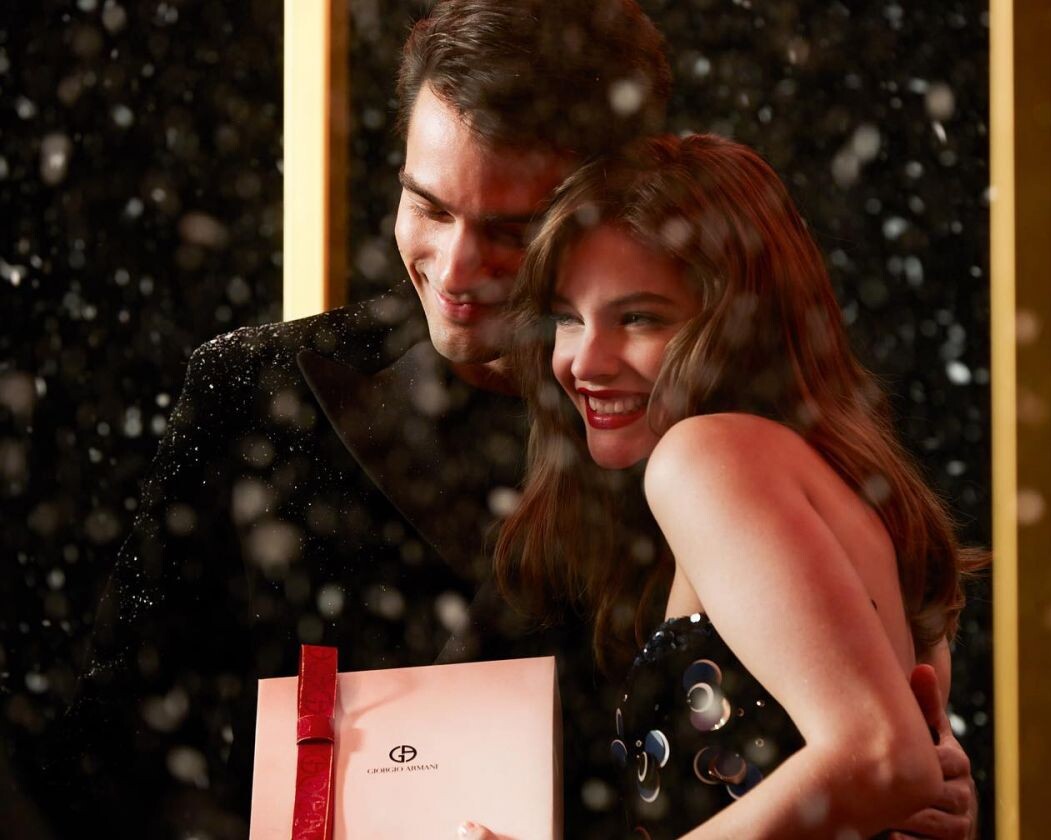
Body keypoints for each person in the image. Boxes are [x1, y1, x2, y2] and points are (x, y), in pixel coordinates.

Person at [36, 2, 670, 836]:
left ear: (617, 209)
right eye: (430, 207)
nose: (456, 269)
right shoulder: (251, 389)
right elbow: (108, 754)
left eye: (512, 231)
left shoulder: (688, 434)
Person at [489, 133, 986, 838]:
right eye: (569, 317)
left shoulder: (704, 457)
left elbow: (885, 760)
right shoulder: (846, 490)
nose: (583, 362)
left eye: (638, 317)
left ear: (739, 326)